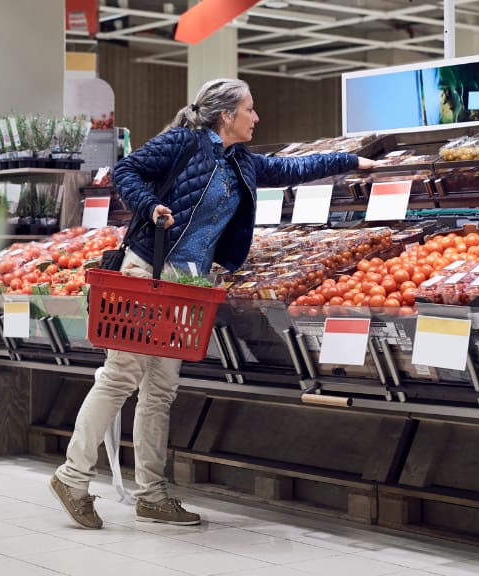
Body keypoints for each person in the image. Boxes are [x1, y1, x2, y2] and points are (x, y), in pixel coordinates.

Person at [49, 78, 377, 529]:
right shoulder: (184, 142)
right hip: (147, 269)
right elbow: (127, 171)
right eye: (250, 109)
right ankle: (72, 477)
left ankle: (152, 494)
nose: (256, 118)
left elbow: (285, 171)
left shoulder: (239, 159)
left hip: (187, 283)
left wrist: (350, 160)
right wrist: (150, 207)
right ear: (227, 116)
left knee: (161, 389)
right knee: (121, 375)